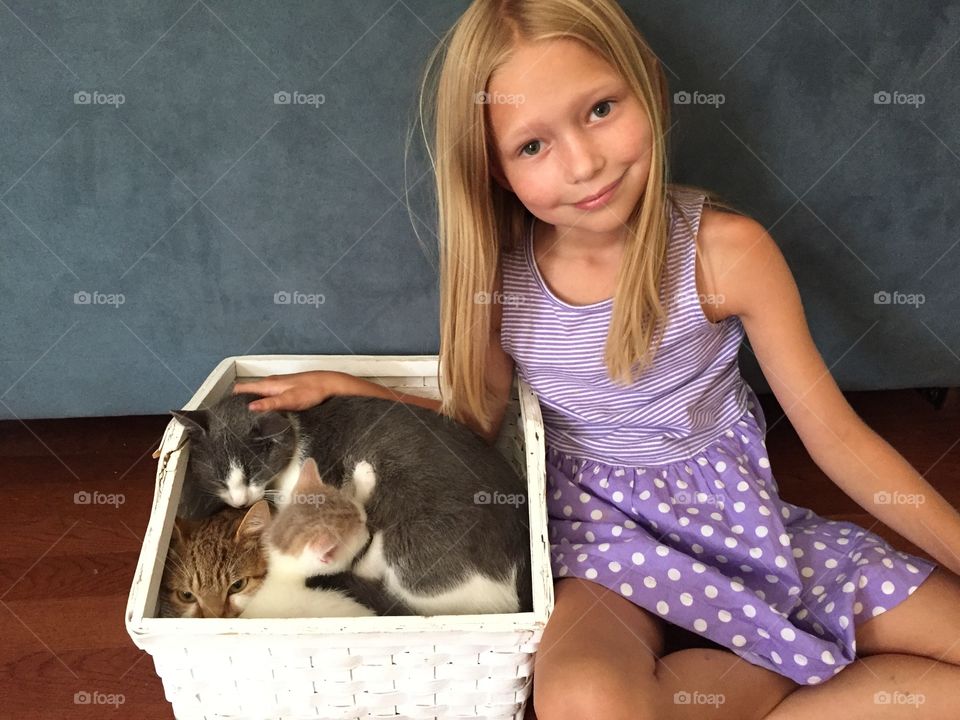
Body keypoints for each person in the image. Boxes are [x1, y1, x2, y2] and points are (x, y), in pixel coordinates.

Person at [234, 1, 960, 717]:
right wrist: (351, 388)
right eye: (532, 146)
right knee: (586, 700)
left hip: (742, 526)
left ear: (649, 84)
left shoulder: (728, 252)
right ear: (493, 170)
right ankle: (785, 669)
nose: (584, 164)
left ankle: (780, 661)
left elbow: (835, 437)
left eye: (601, 109)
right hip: (594, 533)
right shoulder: (501, 275)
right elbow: (477, 423)